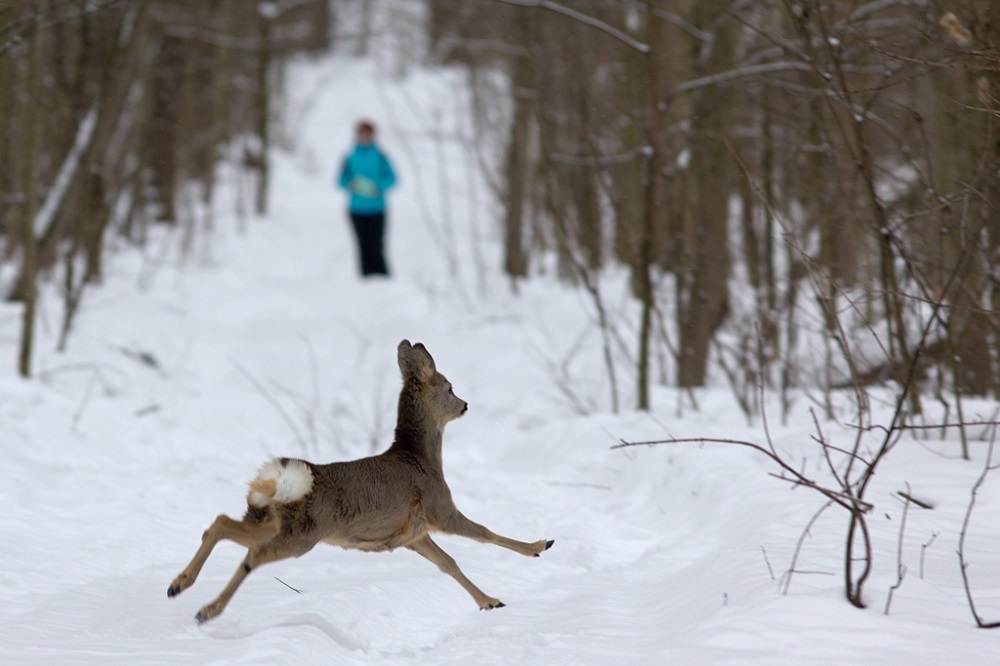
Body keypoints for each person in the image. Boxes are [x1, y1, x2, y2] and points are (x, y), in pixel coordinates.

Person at [337, 120, 397, 277]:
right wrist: (351, 185)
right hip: (356, 209)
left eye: (367, 133)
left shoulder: (381, 156)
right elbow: (341, 181)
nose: (364, 136)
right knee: (362, 245)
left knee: (377, 245)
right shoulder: (349, 158)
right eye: (361, 133)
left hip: (377, 208)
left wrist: (379, 188)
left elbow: (392, 178)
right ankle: (366, 278)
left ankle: (382, 277)